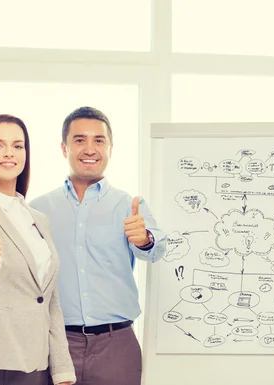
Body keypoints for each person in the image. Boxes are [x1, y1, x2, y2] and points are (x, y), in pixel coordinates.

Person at [30, 106, 167, 385]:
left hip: (116, 346)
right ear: (64, 147)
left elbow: (158, 248)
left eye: (99, 140)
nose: (89, 148)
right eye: (79, 140)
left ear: (110, 148)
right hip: (55, 343)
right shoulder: (38, 210)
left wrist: (144, 239)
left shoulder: (130, 205)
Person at [0, 114, 75, 385]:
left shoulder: (38, 219)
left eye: (18, 146)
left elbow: (50, 301)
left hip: (37, 363)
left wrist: (63, 370)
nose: (9, 153)